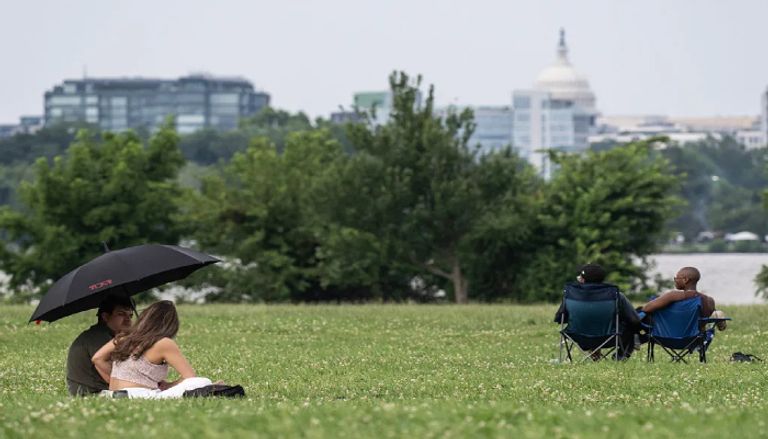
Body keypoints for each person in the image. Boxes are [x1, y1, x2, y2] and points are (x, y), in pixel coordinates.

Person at [91, 300, 213, 399]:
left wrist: (116, 379)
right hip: (138, 396)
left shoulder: (125, 337)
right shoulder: (164, 343)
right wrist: (169, 385)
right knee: (203, 381)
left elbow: (97, 359)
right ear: (171, 324)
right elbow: (190, 377)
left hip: (111, 395)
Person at [555, 263, 641, 359]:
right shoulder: (616, 295)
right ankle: (620, 357)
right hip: (609, 338)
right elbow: (635, 320)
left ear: (582, 280)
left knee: (589, 322)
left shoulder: (570, 295)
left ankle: (594, 352)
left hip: (578, 337)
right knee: (630, 325)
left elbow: (559, 318)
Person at [66, 296, 134, 396]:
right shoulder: (99, 338)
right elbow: (113, 378)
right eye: (121, 314)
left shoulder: (109, 336)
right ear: (106, 317)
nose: (128, 319)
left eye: (130, 315)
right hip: (92, 394)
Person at [641, 266, 727, 331]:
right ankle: (717, 315)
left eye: (676, 278)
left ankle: (635, 339)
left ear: (685, 280)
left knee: (639, 313)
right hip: (694, 339)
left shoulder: (672, 296)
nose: (675, 280)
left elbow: (646, 308)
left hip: (667, 336)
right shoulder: (709, 300)